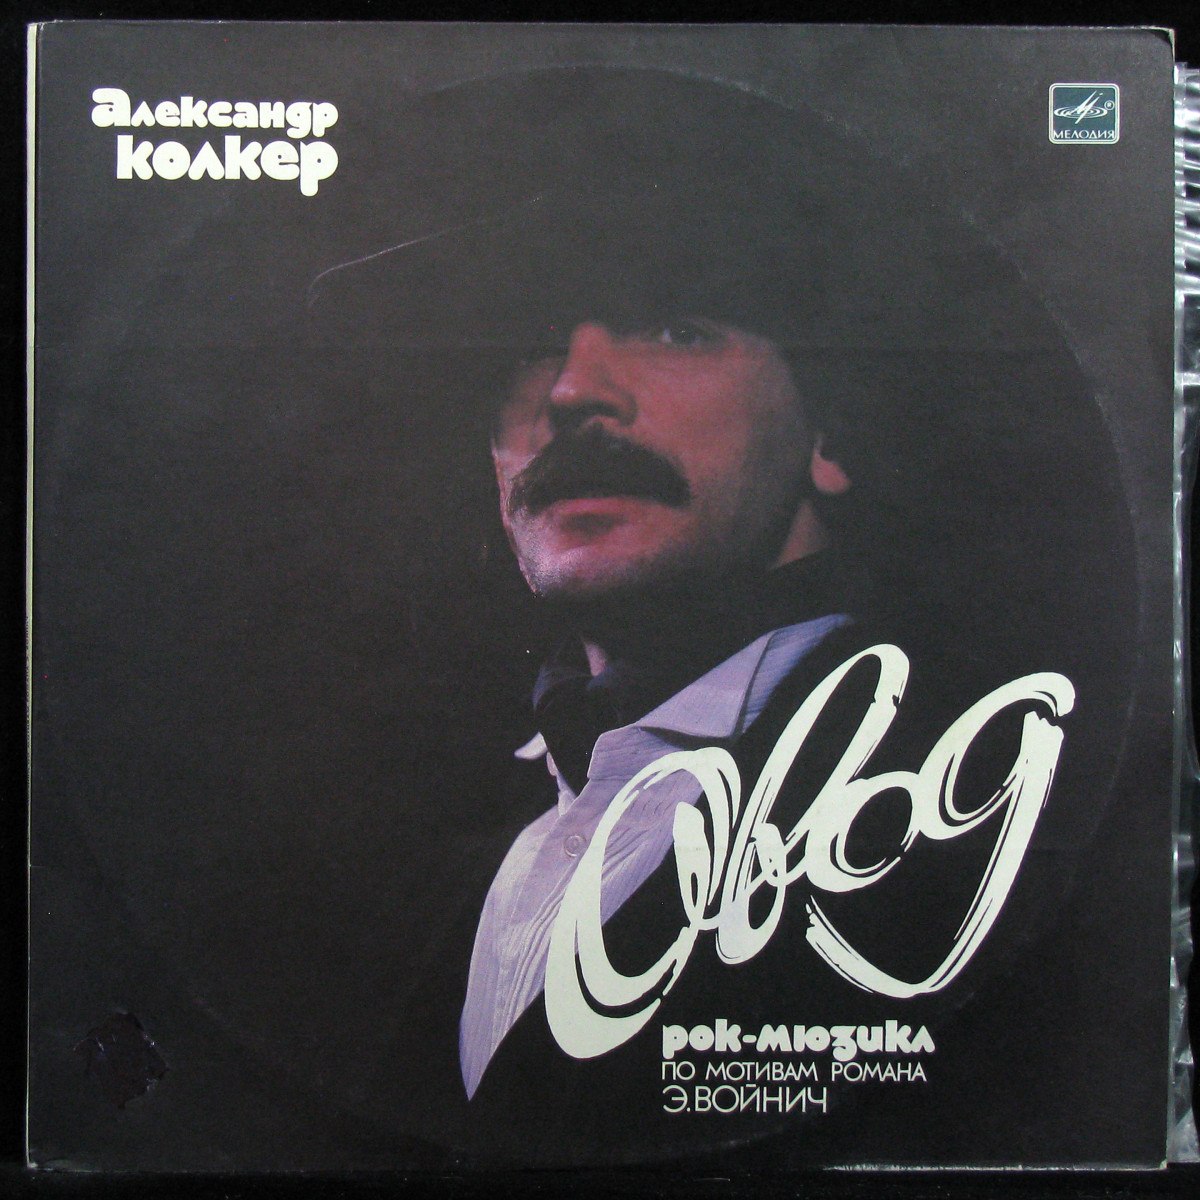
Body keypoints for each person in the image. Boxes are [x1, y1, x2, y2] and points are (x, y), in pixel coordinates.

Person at [306, 66, 1134, 1165]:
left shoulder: (988, 799)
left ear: (830, 436)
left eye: (674, 327)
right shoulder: (413, 863)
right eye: (526, 347)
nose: (572, 391)